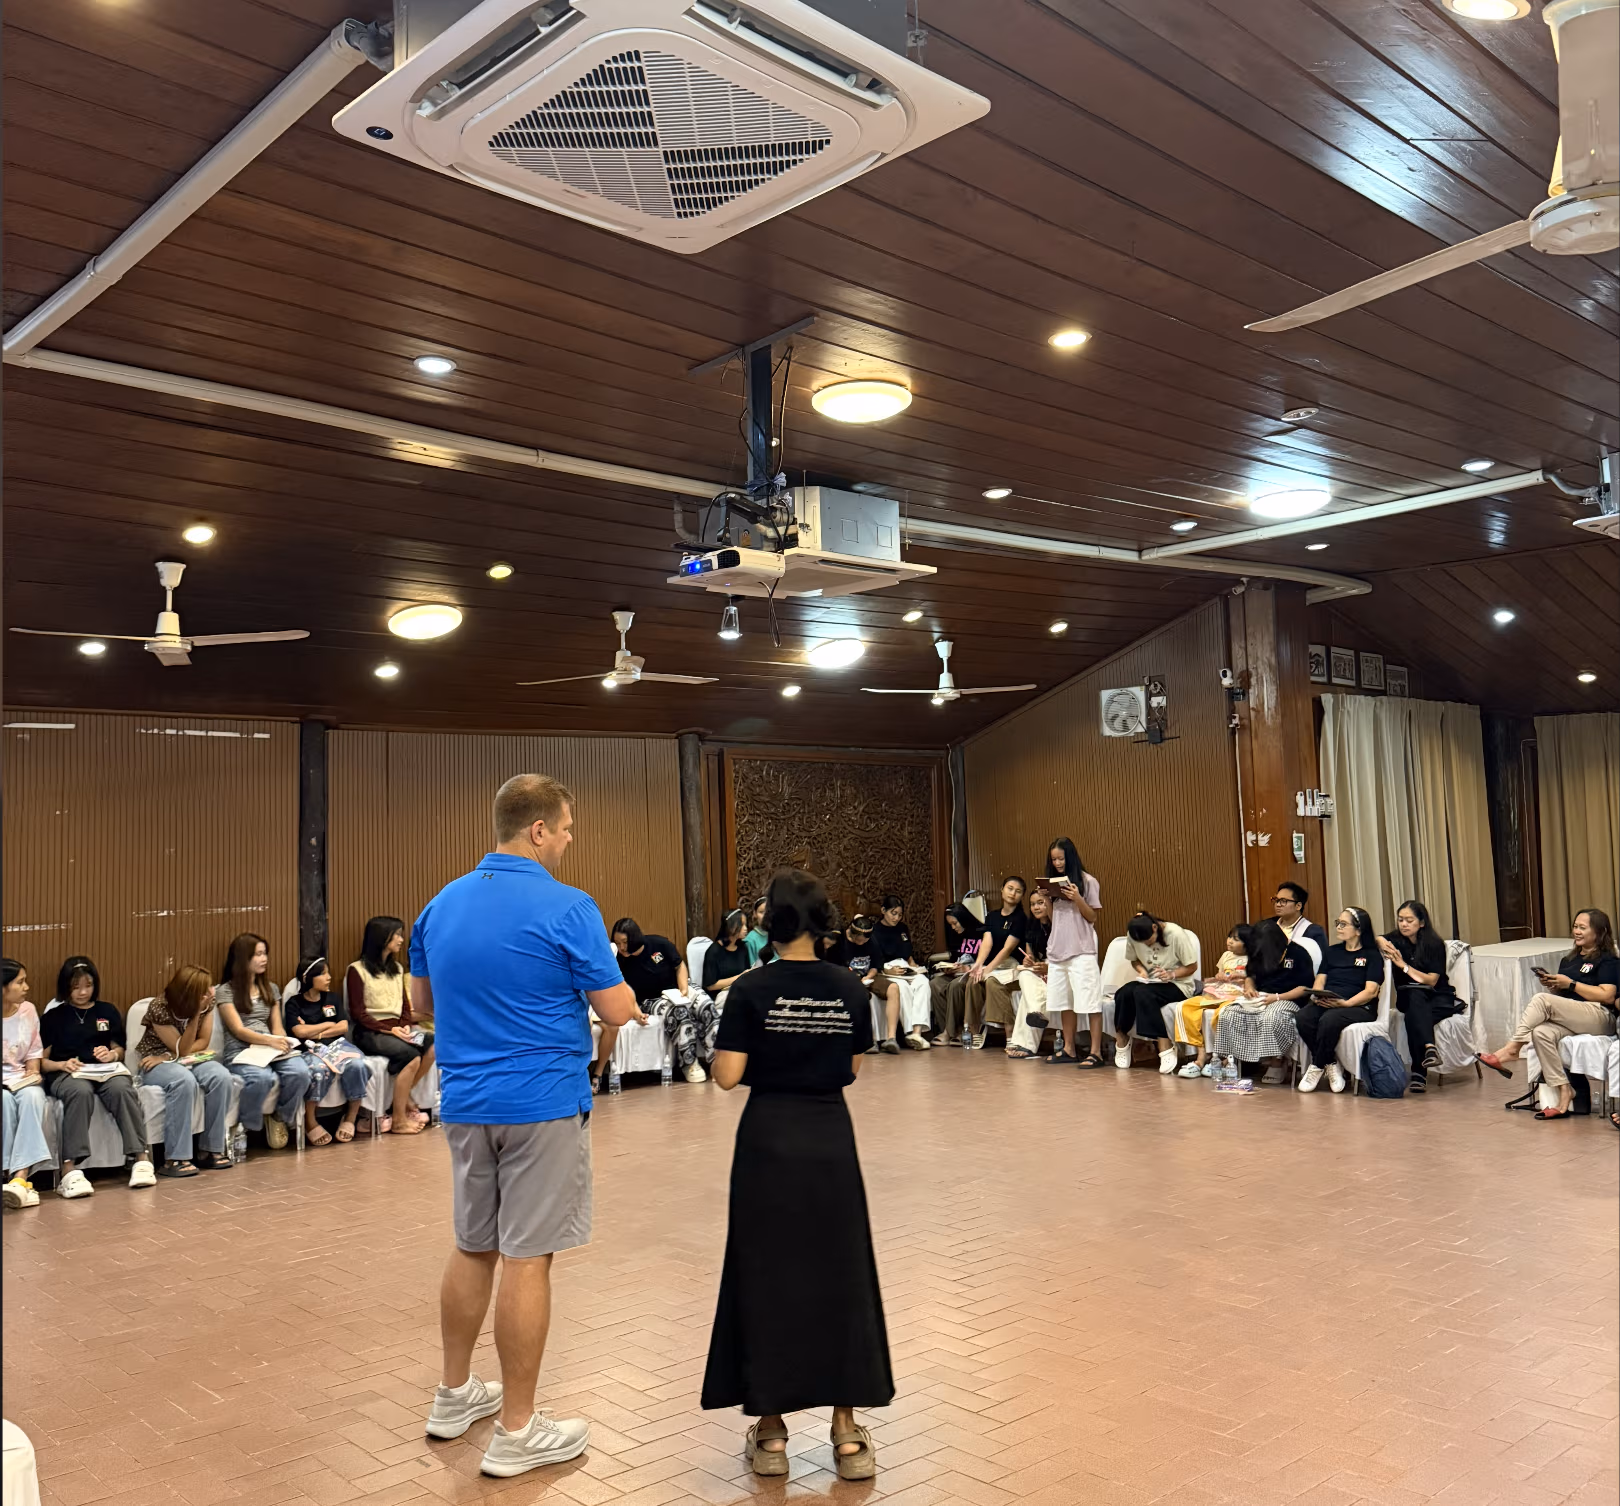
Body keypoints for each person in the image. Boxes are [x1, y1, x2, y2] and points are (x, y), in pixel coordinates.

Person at [413, 775, 640, 1477]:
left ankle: (453, 1397)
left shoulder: (439, 904)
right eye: (567, 828)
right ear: (537, 829)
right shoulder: (568, 907)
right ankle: (517, 1428)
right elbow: (617, 1008)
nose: (570, 840)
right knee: (528, 1256)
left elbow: (422, 1004)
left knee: (472, 1244)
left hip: (466, 1100)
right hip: (540, 1102)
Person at [701, 868, 892, 1481]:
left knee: (767, 1273)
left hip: (768, 1142)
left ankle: (774, 1433)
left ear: (771, 922)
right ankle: (846, 1435)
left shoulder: (751, 990)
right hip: (831, 1141)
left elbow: (727, 1076)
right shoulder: (851, 988)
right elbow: (854, 1069)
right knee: (841, 1273)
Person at [1478, 908, 1619, 1122]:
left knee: (1541, 1000)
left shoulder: (1608, 960)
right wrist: (1555, 986)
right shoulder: (1568, 960)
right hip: (1575, 1015)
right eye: (1575, 926)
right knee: (1541, 1032)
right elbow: (1567, 995)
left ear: (1599, 932)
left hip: (1600, 1017)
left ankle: (1512, 1048)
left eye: (1583, 927)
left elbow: (1607, 996)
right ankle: (1565, 1092)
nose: (1577, 931)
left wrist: (1570, 984)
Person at [39, 956, 154, 1194]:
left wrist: (111, 1055)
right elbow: (42, 1061)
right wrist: (62, 1065)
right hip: (69, 1073)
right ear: (65, 987)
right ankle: (69, 1170)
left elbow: (119, 1049)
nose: (82, 992)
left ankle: (141, 1159)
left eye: (88, 986)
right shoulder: (53, 1017)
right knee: (80, 1093)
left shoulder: (107, 1011)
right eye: (76, 987)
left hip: (105, 1071)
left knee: (122, 1088)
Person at [135, 964, 235, 1175]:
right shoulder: (159, 1007)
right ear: (191, 992)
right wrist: (197, 1013)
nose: (211, 992)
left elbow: (202, 1042)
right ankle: (175, 1159)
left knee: (221, 1076)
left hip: (179, 1057)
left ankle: (210, 1150)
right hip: (155, 1062)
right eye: (206, 989)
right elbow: (183, 1047)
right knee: (183, 1081)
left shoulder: (208, 1003)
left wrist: (173, 1054)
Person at [217, 932, 314, 1150]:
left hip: (270, 1046)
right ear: (243, 959)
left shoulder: (270, 988)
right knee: (261, 1079)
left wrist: (282, 1042)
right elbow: (238, 1030)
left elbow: (277, 1025)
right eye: (258, 954)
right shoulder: (225, 991)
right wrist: (269, 1041)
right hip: (241, 1049)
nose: (264, 959)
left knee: (300, 1072)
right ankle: (247, 1126)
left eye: (265, 953)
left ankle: (280, 1117)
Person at [348, 917, 435, 1134]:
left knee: (435, 1044)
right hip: (372, 1031)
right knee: (411, 1056)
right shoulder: (356, 970)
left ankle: (403, 1099)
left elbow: (405, 1007)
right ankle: (398, 1120)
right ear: (382, 938)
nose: (400, 939)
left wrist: (405, 1026)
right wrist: (391, 1030)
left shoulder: (396, 968)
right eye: (396, 935)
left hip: (399, 1030)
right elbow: (359, 1014)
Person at [1211, 918, 1319, 1083]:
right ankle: (1242, 1060)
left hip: (1288, 998)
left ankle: (1278, 1060)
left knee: (1272, 1017)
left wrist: (1277, 997)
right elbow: (1250, 976)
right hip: (1261, 997)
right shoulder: (1258, 954)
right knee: (1229, 1014)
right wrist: (1249, 988)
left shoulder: (1297, 954)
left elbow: (1305, 988)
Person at [611, 917, 713, 1084]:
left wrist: (684, 990)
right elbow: (623, 991)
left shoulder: (659, 944)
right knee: (678, 1011)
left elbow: (679, 966)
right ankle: (689, 1063)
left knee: (705, 1005)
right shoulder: (620, 961)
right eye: (617, 943)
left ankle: (716, 1059)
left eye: (624, 942)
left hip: (678, 989)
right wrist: (635, 1012)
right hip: (651, 1000)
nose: (621, 947)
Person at [1376, 899, 1462, 1092]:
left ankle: (1419, 1074)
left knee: (1415, 1016)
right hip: (1408, 997)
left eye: (1409, 920)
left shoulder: (1434, 944)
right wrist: (1381, 941)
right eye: (1400, 920)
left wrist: (1403, 966)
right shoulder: (1396, 940)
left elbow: (1431, 980)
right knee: (1415, 999)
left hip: (1438, 997)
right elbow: (1377, 938)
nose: (1404, 924)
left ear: (1422, 922)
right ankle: (1429, 1048)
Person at [1296, 908, 1384, 1094]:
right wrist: (1318, 995)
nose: (1339, 927)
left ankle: (1317, 1065)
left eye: (1344, 924)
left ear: (1358, 930)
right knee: (1303, 1016)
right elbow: (1320, 978)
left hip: (1359, 1005)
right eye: (1338, 923)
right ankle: (1330, 1063)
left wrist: (1346, 1003)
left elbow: (1371, 991)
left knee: (1329, 1020)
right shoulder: (1332, 951)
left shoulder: (1372, 955)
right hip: (1329, 1000)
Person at [285, 956, 370, 1143]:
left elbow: (342, 1027)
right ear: (309, 978)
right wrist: (326, 1025)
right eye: (324, 974)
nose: (329, 977)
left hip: (337, 1046)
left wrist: (314, 1030)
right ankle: (310, 1121)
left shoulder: (333, 998)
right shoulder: (294, 1003)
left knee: (357, 1065)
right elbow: (298, 1032)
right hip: (309, 1050)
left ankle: (350, 1118)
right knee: (317, 1070)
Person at [1040, 838, 1104, 1068]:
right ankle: (1069, 1048)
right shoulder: (1054, 883)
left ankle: (1096, 1052)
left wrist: (1077, 897)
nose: (1057, 863)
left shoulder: (1087, 882)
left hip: (1081, 950)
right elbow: (1053, 917)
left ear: (1070, 857)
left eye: (1060, 858)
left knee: (1090, 1002)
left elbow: (1093, 917)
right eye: (1053, 859)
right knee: (1065, 1002)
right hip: (1058, 949)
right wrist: (1047, 898)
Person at [1111, 913, 1198, 1075]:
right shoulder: (1133, 934)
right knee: (1124, 993)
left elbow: (1192, 966)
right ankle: (1122, 1039)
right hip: (1151, 982)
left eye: (1148, 941)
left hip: (1178, 984)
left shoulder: (1176, 934)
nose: (1146, 945)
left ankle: (1164, 1045)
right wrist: (1142, 971)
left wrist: (1172, 974)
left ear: (1154, 928)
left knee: (1144, 994)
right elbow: (1134, 959)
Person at [3, 960, 51, 1209]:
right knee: (4, 1103)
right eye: (20, 982)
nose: (26, 987)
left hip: (21, 1079)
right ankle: (6, 1174)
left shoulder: (28, 1010)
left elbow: (34, 1052)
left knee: (34, 1097)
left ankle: (19, 1179)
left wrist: (33, 1074)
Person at [1175, 925, 1253, 1078]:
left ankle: (1223, 1059)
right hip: (1219, 992)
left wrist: (1240, 975)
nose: (1229, 942)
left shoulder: (1254, 958)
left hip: (1237, 995)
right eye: (1229, 937)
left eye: (1236, 940)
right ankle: (1200, 1056)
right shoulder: (1226, 955)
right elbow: (1219, 972)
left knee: (1223, 1013)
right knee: (1185, 1006)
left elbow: (1254, 976)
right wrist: (1221, 975)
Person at [965, 877, 1027, 1047]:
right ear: (1002, 890)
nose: (1013, 893)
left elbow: (1007, 949)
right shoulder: (992, 916)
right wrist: (978, 965)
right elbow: (987, 942)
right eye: (1010, 888)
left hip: (1011, 964)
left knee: (993, 981)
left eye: (1018, 891)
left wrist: (988, 969)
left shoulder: (1020, 918)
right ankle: (975, 1030)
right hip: (995, 965)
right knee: (973, 981)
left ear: (1022, 896)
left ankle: (1009, 1036)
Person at [872, 896, 932, 1051]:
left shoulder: (902, 928)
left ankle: (917, 1032)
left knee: (923, 982)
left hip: (905, 967)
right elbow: (875, 960)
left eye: (899, 914)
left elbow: (908, 953)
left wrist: (914, 967)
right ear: (883, 911)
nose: (896, 917)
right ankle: (909, 1032)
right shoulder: (875, 931)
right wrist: (887, 970)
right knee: (902, 987)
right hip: (888, 969)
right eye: (893, 913)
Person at [1004, 889, 1053, 1059]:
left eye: (1040, 903)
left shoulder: (1059, 926)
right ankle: (1036, 1013)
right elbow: (1029, 956)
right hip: (1040, 971)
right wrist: (1028, 961)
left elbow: (1065, 960)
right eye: (1033, 904)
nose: (1036, 907)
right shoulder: (1032, 926)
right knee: (1024, 974)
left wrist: (1047, 968)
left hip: (1058, 970)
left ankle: (1024, 1044)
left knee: (1028, 996)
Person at [929, 905, 988, 1044]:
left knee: (955, 986)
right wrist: (950, 968)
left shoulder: (982, 933)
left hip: (976, 974)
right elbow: (956, 958)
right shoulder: (955, 935)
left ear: (963, 918)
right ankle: (951, 1030)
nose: (953, 927)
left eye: (955, 923)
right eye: (950, 924)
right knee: (935, 984)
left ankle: (948, 1033)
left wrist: (968, 968)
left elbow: (988, 960)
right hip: (959, 973)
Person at [702, 910, 753, 1000]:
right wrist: (739, 977)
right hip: (721, 996)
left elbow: (747, 973)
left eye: (746, 924)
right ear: (730, 926)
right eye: (741, 925)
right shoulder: (714, 951)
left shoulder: (743, 948)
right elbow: (710, 985)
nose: (745, 928)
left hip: (739, 991)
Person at [1273, 881, 1328, 957]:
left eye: (1283, 901)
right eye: (1276, 900)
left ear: (1298, 906)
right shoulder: (1268, 927)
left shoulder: (1314, 932)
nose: (1278, 905)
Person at [742, 898, 771, 966]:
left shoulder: (779, 934)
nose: (765, 916)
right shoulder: (750, 940)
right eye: (761, 912)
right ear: (755, 914)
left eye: (768, 912)